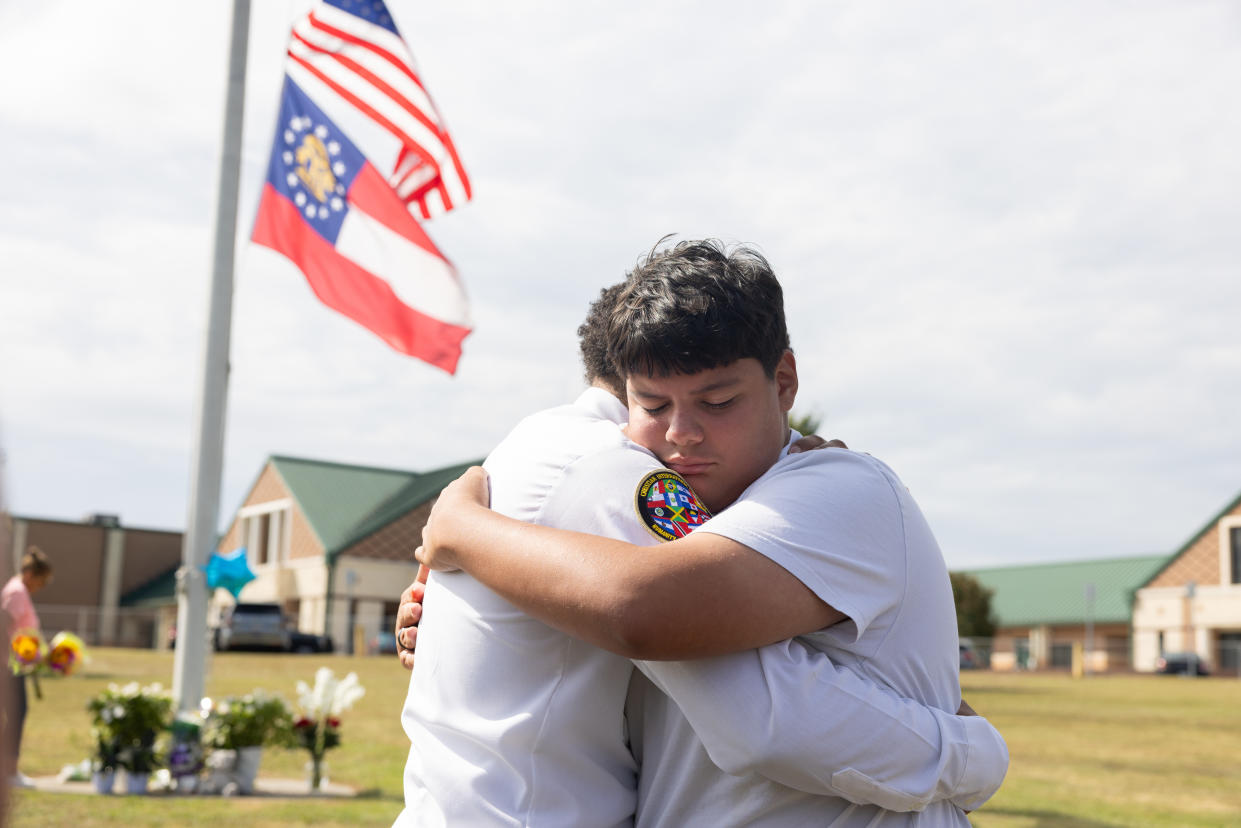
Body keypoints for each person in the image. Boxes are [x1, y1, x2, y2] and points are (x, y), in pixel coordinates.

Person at [398, 249, 1007, 826]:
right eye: (654, 405)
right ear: (624, 388)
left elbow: (710, 660)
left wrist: (468, 534)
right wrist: (972, 753)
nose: (681, 435)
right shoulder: (610, 466)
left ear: (783, 381)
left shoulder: (545, 456)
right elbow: (654, 617)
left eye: (717, 402)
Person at [2, 546, 53, 789]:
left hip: (14, 666)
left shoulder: (18, 590)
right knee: (16, 715)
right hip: (7, 667)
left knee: (16, 715)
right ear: (30, 574)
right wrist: (20, 655)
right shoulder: (18, 593)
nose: (39, 587)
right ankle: (9, 773)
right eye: (41, 582)